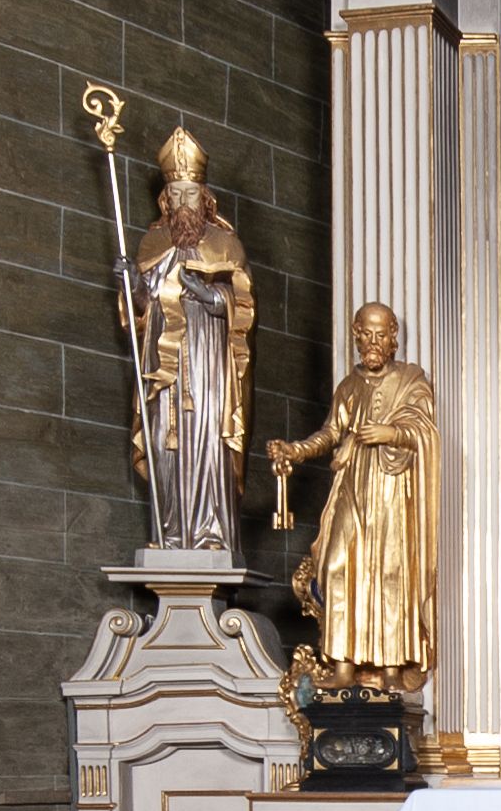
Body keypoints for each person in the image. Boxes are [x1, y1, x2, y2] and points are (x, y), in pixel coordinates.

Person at [270, 302, 441, 693]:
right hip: (352, 485)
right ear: (356, 336)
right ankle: (343, 662)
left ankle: (392, 665)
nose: (374, 342)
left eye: (381, 335)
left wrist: (391, 434)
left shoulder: (411, 380)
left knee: (391, 571)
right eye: (367, 334)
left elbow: (425, 431)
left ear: (393, 338)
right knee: (337, 566)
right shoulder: (349, 385)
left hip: (393, 488)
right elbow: (331, 433)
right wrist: (295, 451)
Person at [128, 127, 256, 555]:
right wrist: (132, 284)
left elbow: (245, 307)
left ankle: (210, 533)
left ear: (205, 198)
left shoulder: (226, 244)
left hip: (207, 362)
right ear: (166, 199)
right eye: (176, 194)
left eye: (191, 194)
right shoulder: (152, 243)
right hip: (165, 368)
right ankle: (171, 533)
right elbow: (140, 311)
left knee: (206, 437)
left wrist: (210, 296)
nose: (184, 203)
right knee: (166, 439)